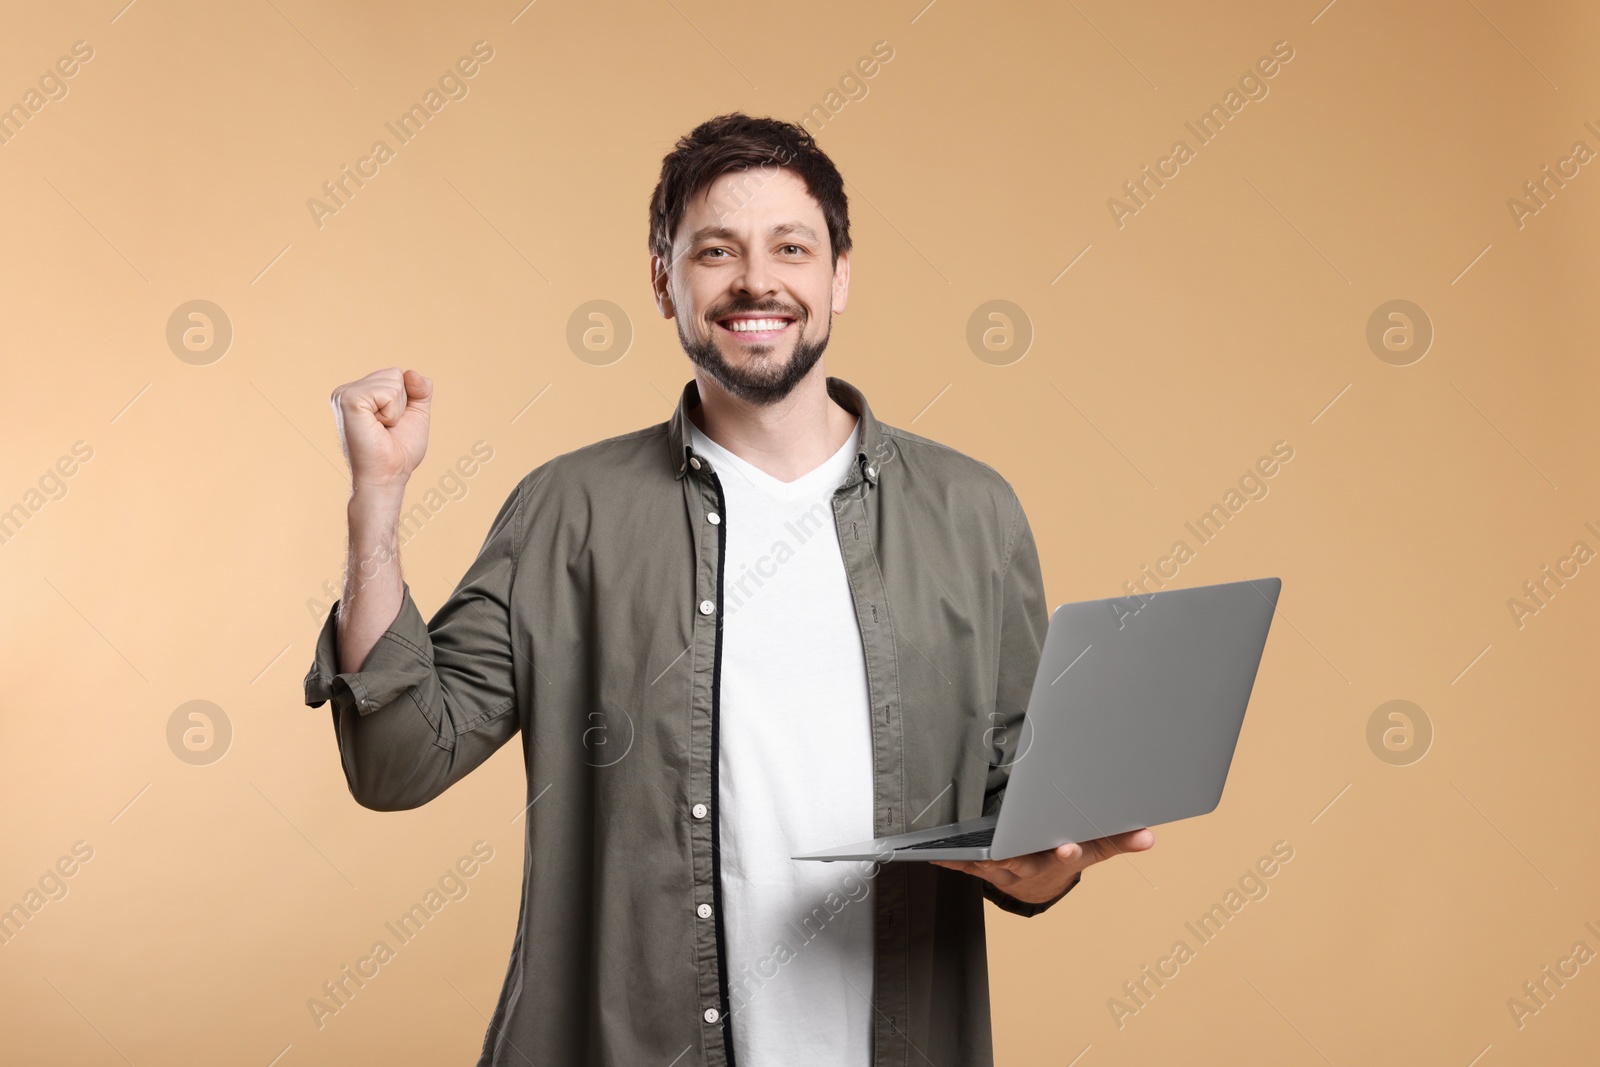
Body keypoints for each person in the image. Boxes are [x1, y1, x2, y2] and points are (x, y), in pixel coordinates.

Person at [304, 112, 1153, 1066]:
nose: (758, 279)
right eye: (717, 250)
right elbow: (397, 760)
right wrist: (375, 498)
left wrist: (1039, 873)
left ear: (839, 276)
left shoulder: (974, 512)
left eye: (792, 246)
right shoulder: (568, 511)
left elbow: (1016, 808)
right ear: (664, 282)